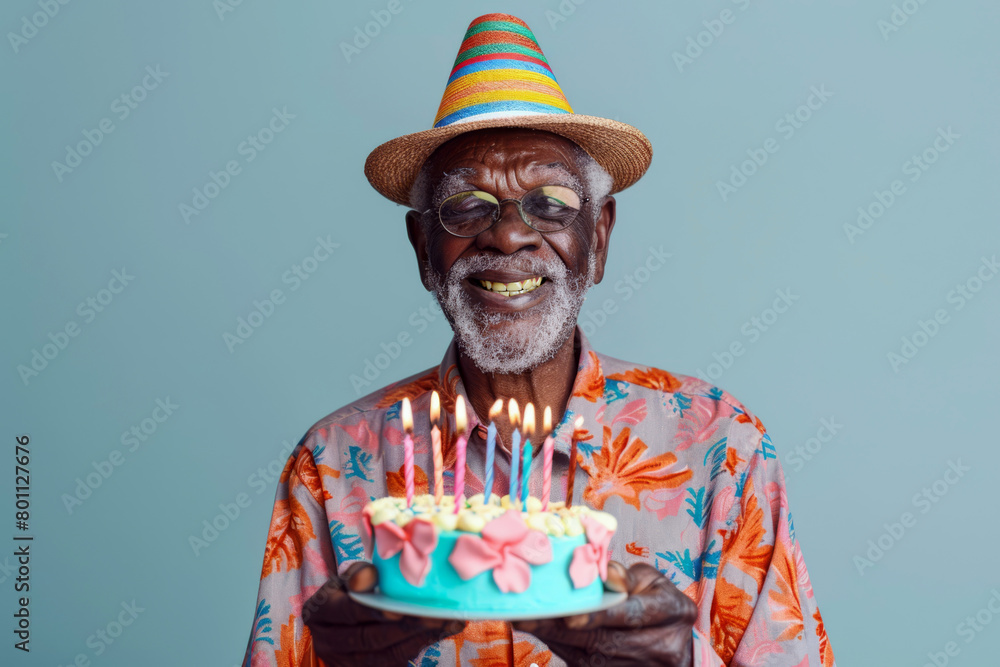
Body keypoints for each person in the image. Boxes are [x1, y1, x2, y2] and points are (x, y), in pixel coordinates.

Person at [242, 13, 835, 667]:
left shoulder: (723, 448)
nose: (509, 236)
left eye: (550, 203)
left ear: (600, 237)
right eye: (466, 208)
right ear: (423, 250)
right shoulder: (329, 467)